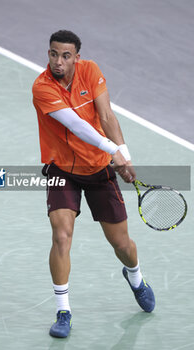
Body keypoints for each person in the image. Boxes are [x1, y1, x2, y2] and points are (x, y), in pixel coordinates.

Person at [32, 30, 155, 338]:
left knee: (122, 245)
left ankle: (136, 277)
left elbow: (107, 115)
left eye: (65, 55)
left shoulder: (91, 71)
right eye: (53, 54)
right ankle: (63, 311)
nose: (58, 61)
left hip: (99, 172)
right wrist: (112, 150)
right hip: (62, 169)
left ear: (77, 57)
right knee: (61, 236)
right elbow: (75, 125)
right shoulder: (42, 87)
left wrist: (124, 157)